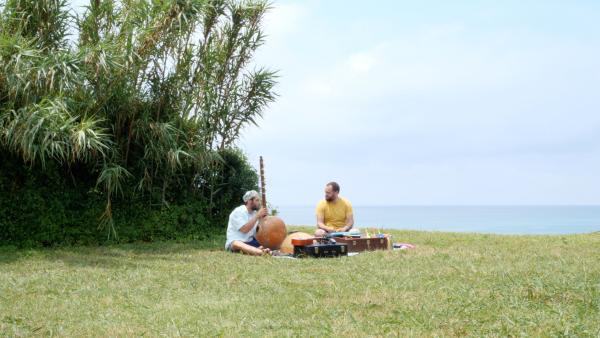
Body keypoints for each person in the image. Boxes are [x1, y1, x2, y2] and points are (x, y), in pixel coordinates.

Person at [225, 190, 271, 255]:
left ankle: (258, 249)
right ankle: (260, 252)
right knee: (236, 243)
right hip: (236, 242)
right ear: (250, 201)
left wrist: (263, 220)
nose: (259, 203)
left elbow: (259, 234)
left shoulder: (254, 214)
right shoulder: (238, 211)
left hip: (250, 242)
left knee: (268, 242)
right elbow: (244, 229)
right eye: (257, 200)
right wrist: (257, 216)